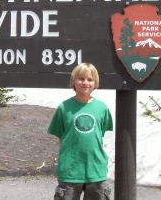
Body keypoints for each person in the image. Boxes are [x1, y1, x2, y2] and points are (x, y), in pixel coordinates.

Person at [48, 62, 113, 200]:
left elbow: (99, 135)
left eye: (90, 79)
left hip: (96, 170)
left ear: (95, 82)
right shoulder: (64, 108)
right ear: (73, 81)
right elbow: (61, 136)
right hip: (70, 171)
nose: (85, 83)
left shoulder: (102, 108)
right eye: (81, 79)